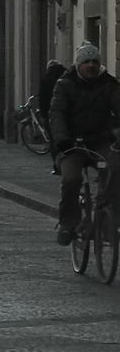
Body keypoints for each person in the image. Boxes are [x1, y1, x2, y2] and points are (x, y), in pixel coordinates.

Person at [50, 42, 120, 246]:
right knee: (71, 179)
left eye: (95, 62)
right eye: (87, 61)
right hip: (72, 143)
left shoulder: (109, 85)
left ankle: (107, 218)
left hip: (101, 141)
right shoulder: (64, 85)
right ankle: (68, 223)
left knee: (116, 170)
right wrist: (62, 140)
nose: (91, 65)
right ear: (78, 65)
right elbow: (57, 114)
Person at [38, 59, 67, 175]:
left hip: (51, 114)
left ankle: (57, 166)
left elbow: (43, 99)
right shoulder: (66, 76)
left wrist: (43, 115)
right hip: (66, 113)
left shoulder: (46, 79)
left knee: (53, 140)